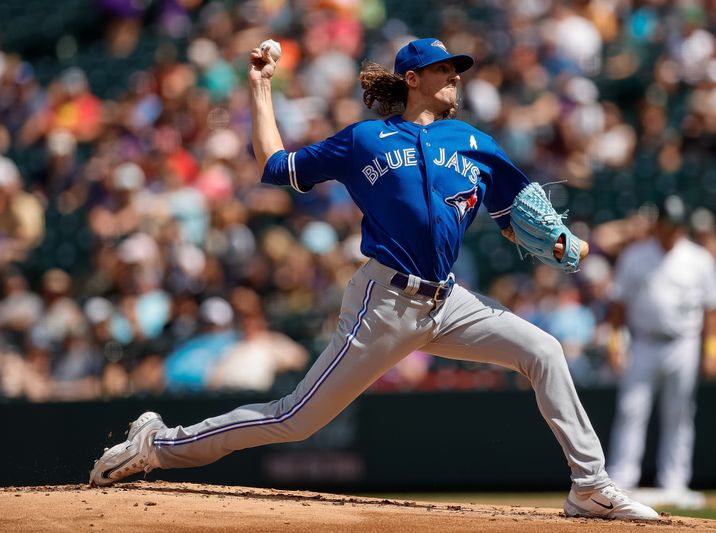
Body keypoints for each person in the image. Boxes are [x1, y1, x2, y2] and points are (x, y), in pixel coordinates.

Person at [90, 37, 658, 520]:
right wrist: (262, 88)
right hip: (384, 302)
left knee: (545, 350)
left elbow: (518, 217)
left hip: (449, 301)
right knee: (294, 419)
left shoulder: (475, 145)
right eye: (444, 69)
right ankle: (158, 444)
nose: (455, 77)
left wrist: (555, 236)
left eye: (457, 70)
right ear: (413, 78)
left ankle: (589, 486)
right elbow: (274, 166)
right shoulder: (365, 139)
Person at [605, 196, 716, 508]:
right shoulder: (635, 256)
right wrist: (616, 343)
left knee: (679, 413)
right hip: (643, 341)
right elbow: (618, 306)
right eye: (667, 224)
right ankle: (621, 480)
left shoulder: (698, 259)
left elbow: (713, 310)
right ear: (657, 224)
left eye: (677, 225)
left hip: (685, 342)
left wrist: (713, 350)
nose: (672, 231)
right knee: (631, 409)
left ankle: (675, 481)